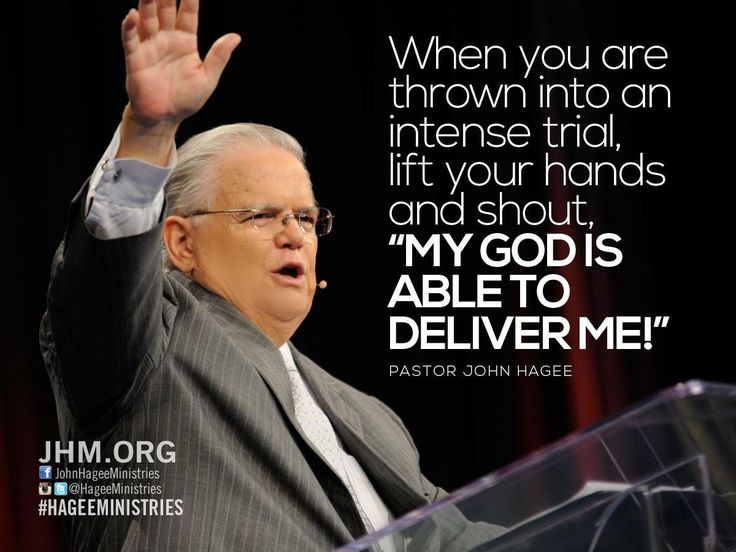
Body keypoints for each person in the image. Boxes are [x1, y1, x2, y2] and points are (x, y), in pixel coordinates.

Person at [40, 0, 503, 550]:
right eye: (261, 215)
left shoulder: (371, 416)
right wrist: (148, 132)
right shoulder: (149, 345)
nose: (295, 235)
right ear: (181, 243)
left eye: (306, 218)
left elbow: (451, 537)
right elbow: (106, 275)